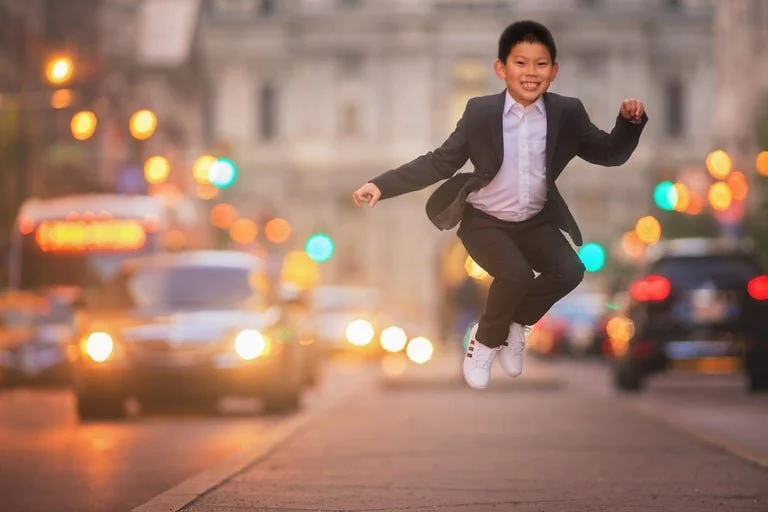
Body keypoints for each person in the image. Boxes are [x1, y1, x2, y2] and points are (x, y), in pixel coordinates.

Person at [352, 20, 647, 390]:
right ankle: (484, 343)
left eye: (541, 65)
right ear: (501, 69)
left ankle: (515, 326)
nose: (531, 73)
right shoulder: (480, 113)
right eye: (520, 63)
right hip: (486, 220)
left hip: (534, 220)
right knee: (517, 275)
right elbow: (440, 161)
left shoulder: (567, 113)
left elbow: (608, 153)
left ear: (554, 72)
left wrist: (629, 124)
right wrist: (381, 185)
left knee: (571, 269)